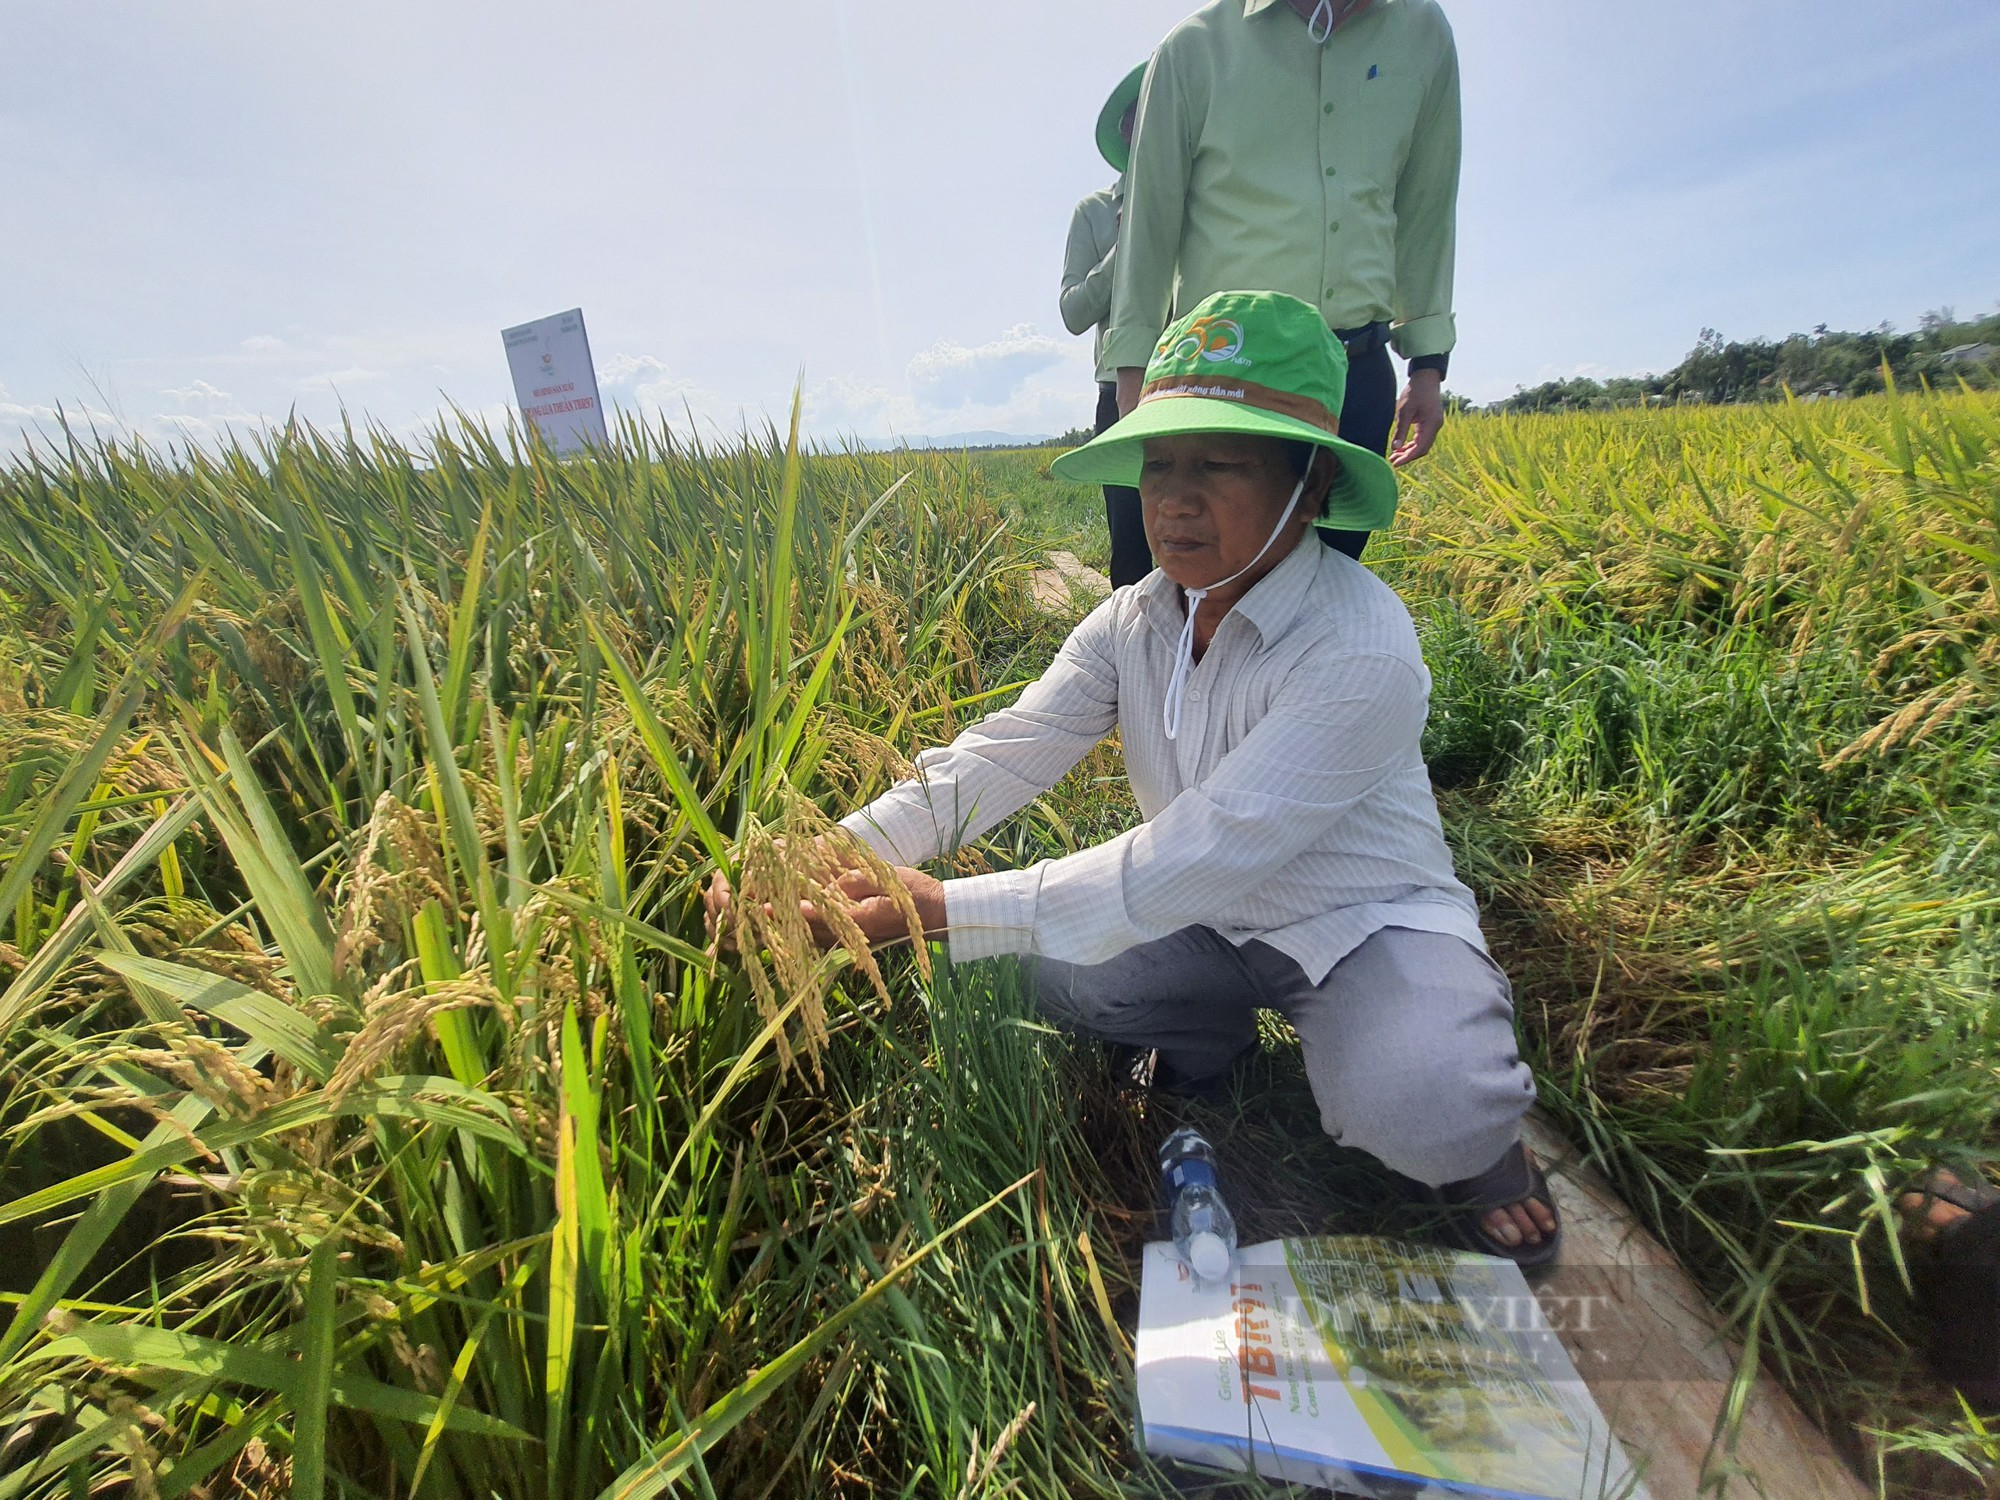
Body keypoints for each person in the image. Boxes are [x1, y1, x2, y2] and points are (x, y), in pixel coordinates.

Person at [706, 291, 1559, 1265]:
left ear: (1312, 481)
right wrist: (826, 856)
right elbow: (1003, 752)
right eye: (1158, 464)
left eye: (1218, 463)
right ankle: (1207, 1045)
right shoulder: (1132, 620)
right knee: (1052, 960)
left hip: (1357, 926)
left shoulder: (1358, 649)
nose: (1171, 500)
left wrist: (936, 909)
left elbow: (1205, 849)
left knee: (1425, 1100)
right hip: (1206, 920)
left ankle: (1488, 1161)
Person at [1105, 0, 1461, 560]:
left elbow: (1427, 201)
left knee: (1327, 592)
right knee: (1201, 593)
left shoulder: (1422, 32)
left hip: (1356, 368)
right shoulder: (1195, 47)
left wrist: (1427, 363)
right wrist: (1133, 379)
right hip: (1224, 380)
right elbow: (1149, 223)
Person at [1060, 63, 1152, 586]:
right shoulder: (1094, 213)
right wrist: (1126, 246)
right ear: (1127, 130)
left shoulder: (1207, 205)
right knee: (1133, 557)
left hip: (1200, 383)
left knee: (1211, 550)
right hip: (1122, 391)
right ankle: (1134, 661)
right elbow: (1073, 312)